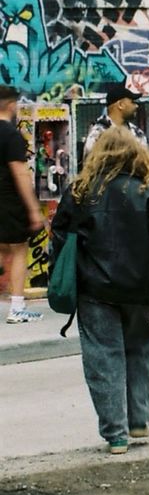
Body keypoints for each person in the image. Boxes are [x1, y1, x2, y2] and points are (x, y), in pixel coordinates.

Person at [50, 127, 149, 455]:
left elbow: (61, 238)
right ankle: (139, 419)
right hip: (139, 289)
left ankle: (115, 433)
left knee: (103, 357)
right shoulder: (147, 190)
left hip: (94, 289)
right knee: (139, 350)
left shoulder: (80, 191)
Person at [0, 85, 44, 324]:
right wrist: (34, 209)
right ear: (10, 105)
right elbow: (20, 174)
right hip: (8, 201)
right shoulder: (11, 135)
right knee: (18, 250)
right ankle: (17, 307)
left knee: (2, 249)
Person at [83, 83, 148, 159]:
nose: (136, 106)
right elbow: (90, 163)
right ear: (120, 105)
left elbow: (144, 161)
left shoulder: (137, 132)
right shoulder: (98, 132)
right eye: (132, 102)